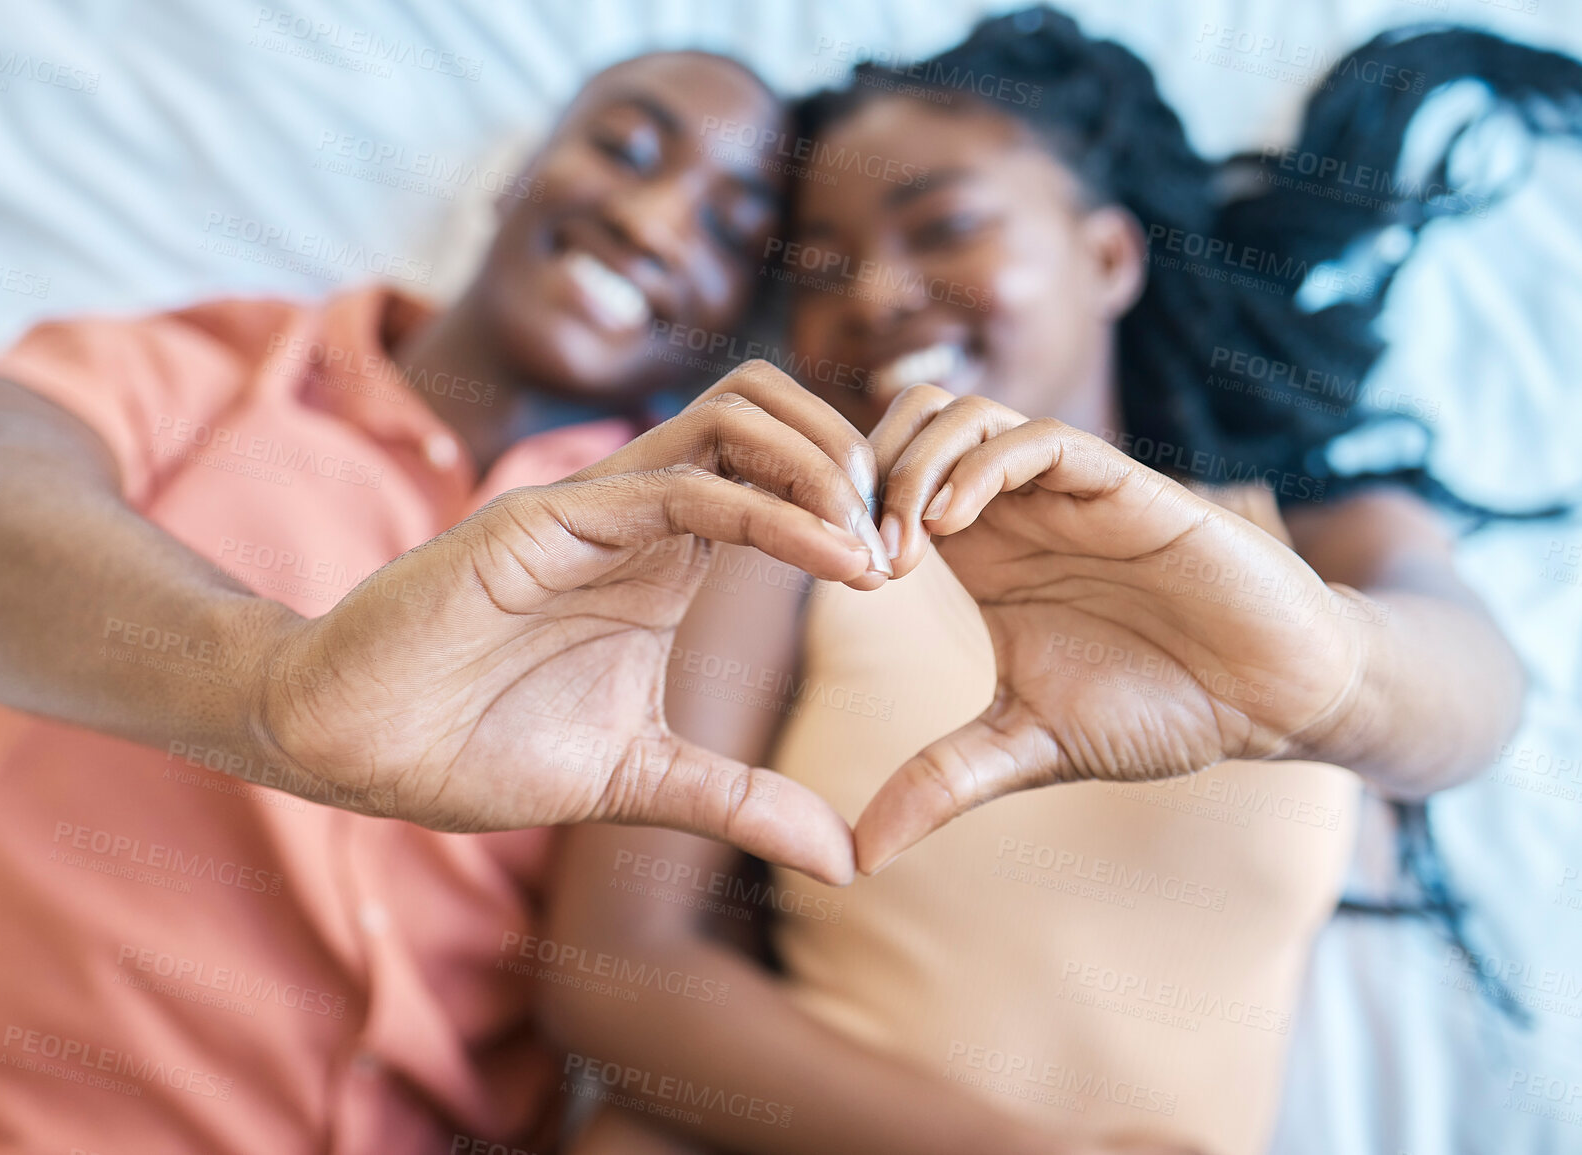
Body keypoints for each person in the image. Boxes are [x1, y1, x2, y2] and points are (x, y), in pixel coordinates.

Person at [0, 49, 899, 1154]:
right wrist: (277, 691)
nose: (652, 220)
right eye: (626, 148)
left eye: (732, 230)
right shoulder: (210, 372)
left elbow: (640, 975)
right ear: (517, 174)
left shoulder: (707, 555)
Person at [541, 10, 1527, 1155]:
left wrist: (1326, 670)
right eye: (819, 268)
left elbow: (1478, 707)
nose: (872, 294)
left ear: (1108, 257)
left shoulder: (1312, 541)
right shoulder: (788, 542)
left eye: (943, 226)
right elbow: (615, 967)